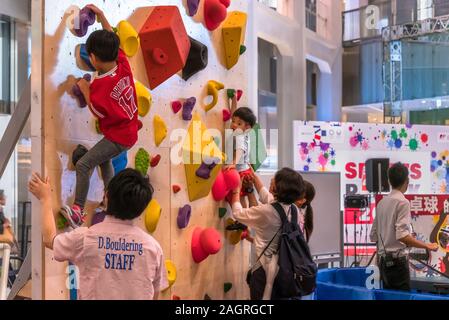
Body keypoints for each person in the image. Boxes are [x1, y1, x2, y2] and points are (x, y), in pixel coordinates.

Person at [28, 169, 168, 300]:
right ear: (141, 209)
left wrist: (45, 198)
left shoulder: (86, 238)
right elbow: (154, 294)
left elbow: (49, 239)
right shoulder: (153, 248)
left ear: (106, 196)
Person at [60, 4, 139, 228]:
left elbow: (95, 109)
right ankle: (112, 201)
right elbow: (112, 36)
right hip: (128, 131)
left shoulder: (101, 88)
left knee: (85, 164)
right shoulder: (123, 63)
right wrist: (103, 15)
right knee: (104, 162)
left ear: (92, 58)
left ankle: (78, 210)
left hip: (118, 137)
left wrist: (85, 87)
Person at [230, 168, 306, 300]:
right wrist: (253, 177)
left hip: (264, 273)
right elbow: (266, 196)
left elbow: (238, 213)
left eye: (275, 178)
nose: (271, 179)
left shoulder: (268, 212)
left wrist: (236, 190)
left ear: (278, 187)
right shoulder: (294, 210)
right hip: (286, 270)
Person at [370, 162, 439, 291]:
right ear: (407, 181)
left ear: (390, 181)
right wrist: (427, 246)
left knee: (388, 296)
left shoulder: (381, 203)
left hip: (384, 262)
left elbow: (373, 236)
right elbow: (401, 235)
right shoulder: (403, 202)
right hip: (398, 263)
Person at [225, 95, 257, 208]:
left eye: (238, 123)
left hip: (240, 173)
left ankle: (242, 220)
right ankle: (243, 220)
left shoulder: (239, 136)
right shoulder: (243, 132)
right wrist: (233, 100)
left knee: (239, 198)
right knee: (241, 198)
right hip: (246, 170)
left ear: (247, 127)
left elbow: (239, 150)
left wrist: (233, 163)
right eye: (233, 121)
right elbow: (234, 114)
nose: (233, 124)